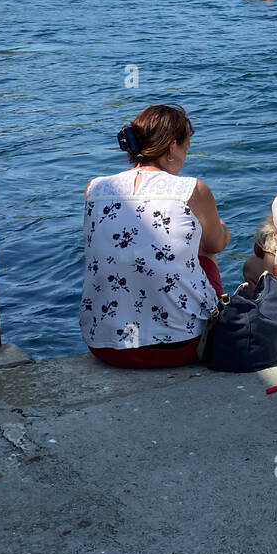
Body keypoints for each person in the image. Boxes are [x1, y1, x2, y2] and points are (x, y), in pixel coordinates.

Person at [81, 104, 230, 368]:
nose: (185, 156)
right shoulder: (191, 189)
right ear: (172, 148)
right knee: (205, 244)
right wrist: (219, 227)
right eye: (185, 148)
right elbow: (215, 244)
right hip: (181, 346)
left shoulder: (95, 189)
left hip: (104, 346)